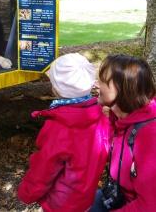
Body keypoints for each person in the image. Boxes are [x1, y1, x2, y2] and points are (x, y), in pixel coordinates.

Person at [17, 53, 110, 212]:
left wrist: (26, 193)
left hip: (60, 204)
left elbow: (44, 168)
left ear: (56, 88)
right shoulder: (100, 115)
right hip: (85, 197)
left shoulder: (59, 127)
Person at [91, 54, 156, 211]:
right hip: (115, 194)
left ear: (122, 89)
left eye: (102, 80)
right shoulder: (120, 118)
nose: (96, 84)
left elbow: (149, 205)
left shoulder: (149, 134)